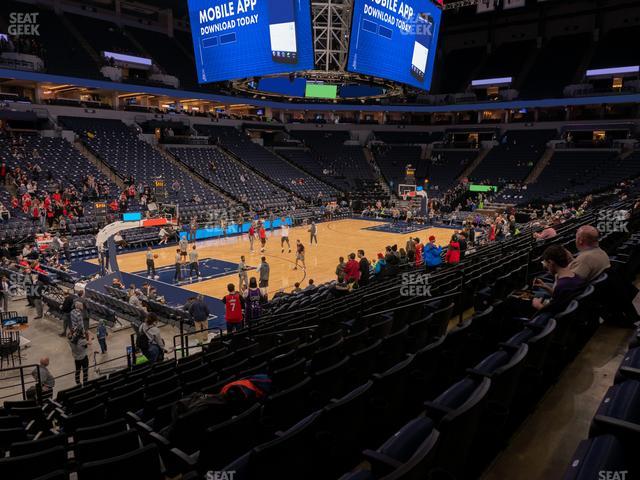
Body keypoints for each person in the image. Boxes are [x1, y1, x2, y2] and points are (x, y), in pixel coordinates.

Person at [532, 244, 585, 314]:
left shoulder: (562, 285)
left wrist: (538, 305)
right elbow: (559, 296)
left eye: (545, 263)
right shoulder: (574, 275)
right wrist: (545, 286)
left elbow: (555, 313)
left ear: (551, 262)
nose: (546, 266)